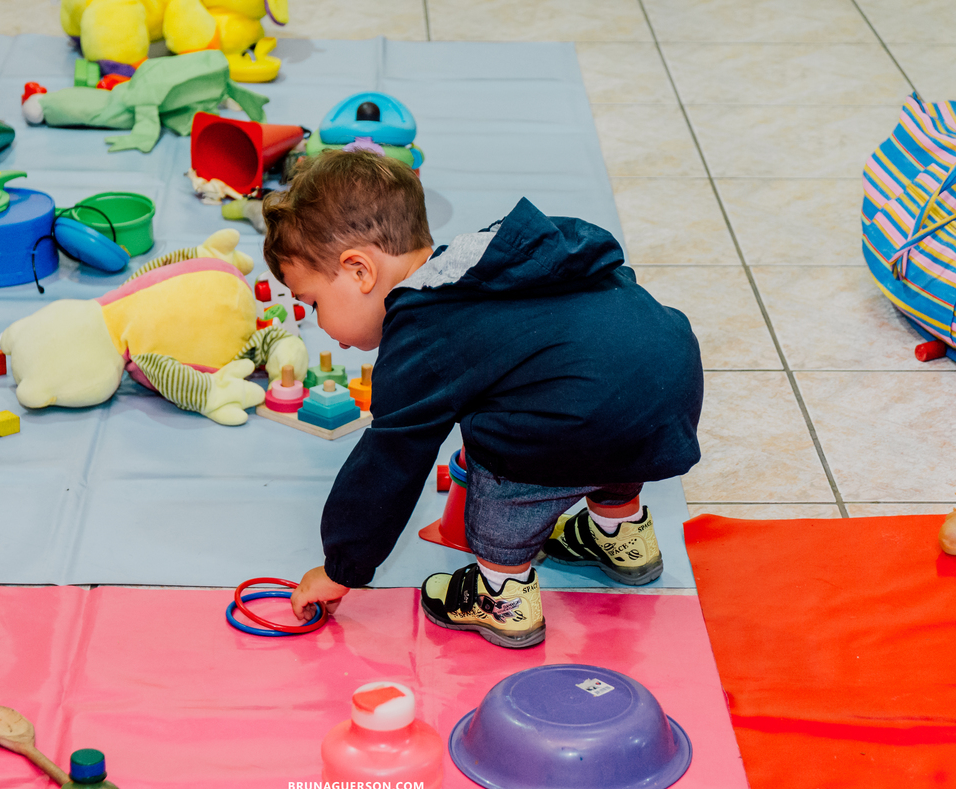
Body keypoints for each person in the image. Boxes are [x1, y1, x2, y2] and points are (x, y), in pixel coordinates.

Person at [262, 150, 703, 648]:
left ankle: (503, 593)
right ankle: (622, 536)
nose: (322, 326)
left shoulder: (422, 326)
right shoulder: (481, 263)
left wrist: (341, 566)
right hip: (669, 381)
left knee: (499, 444)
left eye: (314, 302)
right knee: (597, 400)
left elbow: (390, 461)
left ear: (360, 271)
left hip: (589, 418)